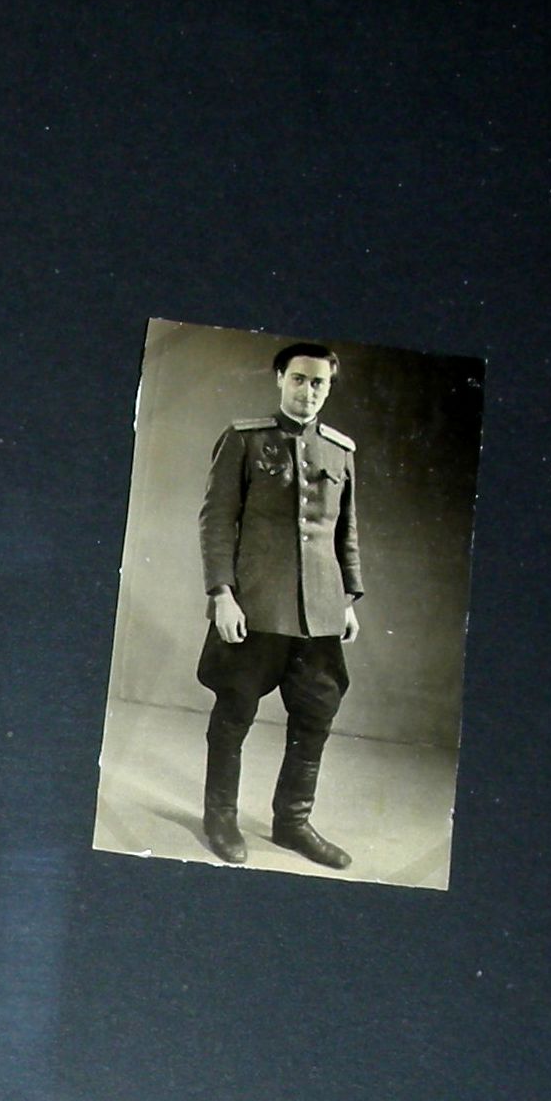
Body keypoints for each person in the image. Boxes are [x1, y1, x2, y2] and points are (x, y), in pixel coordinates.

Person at [196, 341, 363, 868]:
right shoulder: (244, 439)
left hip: (319, 615)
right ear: (279, 379)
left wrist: (348, 600)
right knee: (234, 712)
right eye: (298, 379)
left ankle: (292, 824)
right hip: (256, 607)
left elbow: (344, 532)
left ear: (328, 388)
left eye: (318, 383)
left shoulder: (340, 451)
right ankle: (220, 817)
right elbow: (216, 521)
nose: (308, 391)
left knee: (315, 715)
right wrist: (221, 595)